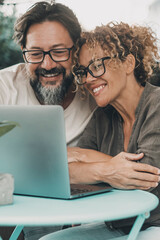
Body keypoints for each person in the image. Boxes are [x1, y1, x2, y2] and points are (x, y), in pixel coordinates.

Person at [39, 22, 160, 240]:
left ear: (128, 63)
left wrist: (82, 156)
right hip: (116, 225)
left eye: (96, 66)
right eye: (83, 71)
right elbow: (62, 173)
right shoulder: (103, 116)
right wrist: (108, 171)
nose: (88, 79)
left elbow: (145, 181)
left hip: (154, 225)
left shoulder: (157, 104)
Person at [0, 1, 97, 239]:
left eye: (59, 51)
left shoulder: (95, 92)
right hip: (11, 212)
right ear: (23, 50)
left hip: (81, 213)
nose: (48, 64)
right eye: (35, 53)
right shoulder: (4, 86)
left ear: (75, 50)